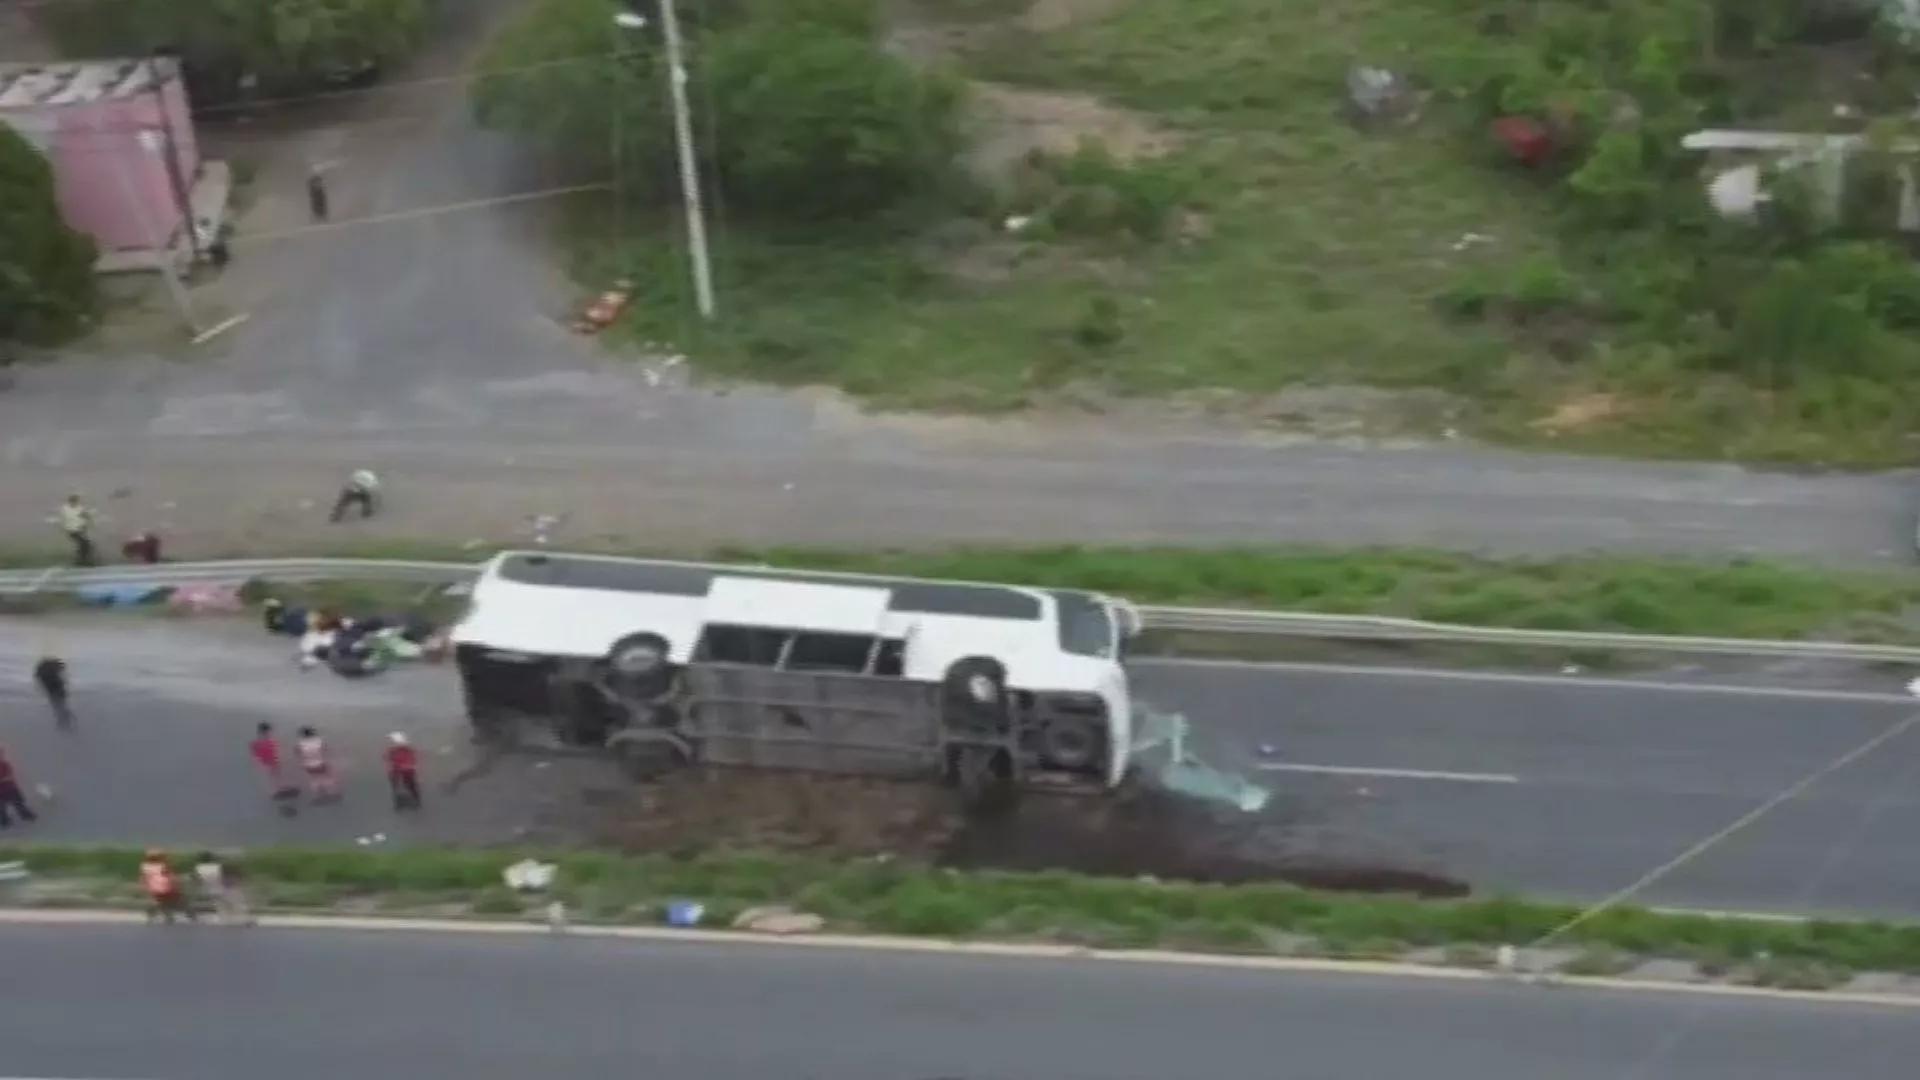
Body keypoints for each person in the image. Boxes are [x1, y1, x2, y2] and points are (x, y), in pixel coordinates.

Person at [249, 722, 299, 815]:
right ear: (265, 731)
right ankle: (280, 791)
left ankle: (280, 790)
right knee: (275, 775)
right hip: (271, 762)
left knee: (275, 775)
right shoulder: (267, 742)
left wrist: (262, 761)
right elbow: (273, 751)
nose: (269, 734)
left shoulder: (257, 743)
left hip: (270, 763)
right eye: (268, 732)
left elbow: (256, 755)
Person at [193, 851, 254, 926]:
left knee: (222, 909)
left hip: (211, 891)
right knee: (237, 905)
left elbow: (197, 881)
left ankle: (226, 922)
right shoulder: (217, 866)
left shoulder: (198, 868)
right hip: (224, 889)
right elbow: (226, 877)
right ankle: (245, 920)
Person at [140, 849, 195, 924]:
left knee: (160, 901)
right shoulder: (162, 865)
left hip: (156, 889)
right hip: (166, 888)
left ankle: (156, 916)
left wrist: (146, 887)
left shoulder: (145, 866)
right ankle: (191, 916)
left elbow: (145, 878)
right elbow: (170, 876)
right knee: (181, 901)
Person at [296, 726, 340, 803]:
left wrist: (303, 762)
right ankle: (330, 793)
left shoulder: (300, 744)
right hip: (320, 763)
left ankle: (317, 795)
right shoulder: (318, 741)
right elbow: (325, 750)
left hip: (308, 765)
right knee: (326, 777)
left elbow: (298, 753)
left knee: (314, 779)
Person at [384, 732, 422, 811]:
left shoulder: (404, 751)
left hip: (405, 771)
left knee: (408, 784)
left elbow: (390, 759)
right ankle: (407, 801)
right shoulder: (398, 750)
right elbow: (389, 759)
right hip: (401, 770)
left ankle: (412, 800)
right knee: (401, 785)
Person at [0, 747, 37, 828]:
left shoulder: (5, 764)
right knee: (15, 803)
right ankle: (26, 816)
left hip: (8, 788)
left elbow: (10, 773)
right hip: (9, 788)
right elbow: (9, 774)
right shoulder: (4, 764)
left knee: (5, 806)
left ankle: (5, 822)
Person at [33, 654, 73, 728]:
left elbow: (39, 678)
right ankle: (65, 723)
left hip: (53, 688)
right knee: (61, 706)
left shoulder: (44, 670)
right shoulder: (49, 670)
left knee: (59, 706)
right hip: (55, 687)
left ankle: (64, 723)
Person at [57, 494, 96, 567]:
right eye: (72, 501)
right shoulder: (65, 509)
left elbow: (86, 516)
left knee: (86, 545)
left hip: (80, 530)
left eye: (75, 501)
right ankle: (81, 560)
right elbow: (64, 520)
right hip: (72, 530)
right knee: (83, 543)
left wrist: (88, 519)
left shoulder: (79, 508)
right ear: (70, 502)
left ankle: (83, 560)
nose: (74, 503)